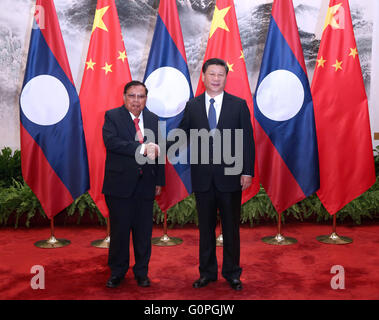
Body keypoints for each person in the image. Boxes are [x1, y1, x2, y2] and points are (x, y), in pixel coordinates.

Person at [176, 58, 255, 291]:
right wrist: (159, 146)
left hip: (231, 176)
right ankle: (207, 273)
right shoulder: (193, 105)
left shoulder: (238, 105)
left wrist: (247, 171)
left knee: (231, 229)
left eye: (221, 74)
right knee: (206, 229)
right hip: (203, 179)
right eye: (212, 74)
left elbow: (247, 142)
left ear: (226, 78)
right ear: (203, 77)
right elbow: (181, 133)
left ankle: (232, 273)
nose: (216, 79)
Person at [102, 80, 164, 288]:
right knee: (119, 232)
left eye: (141, 96)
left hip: (146, 184)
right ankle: (118, 272)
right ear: (124, 97)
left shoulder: (154, 119)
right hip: (119, 185)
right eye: (132, 96)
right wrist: (141, 149)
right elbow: (111, 142)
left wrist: (160, 180)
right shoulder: (112, 116)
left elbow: (159, 151)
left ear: (146, 99)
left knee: (143, 233)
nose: (136, 101)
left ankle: (141, 272)